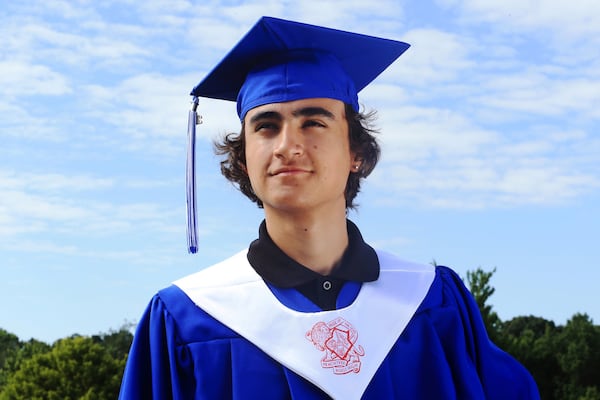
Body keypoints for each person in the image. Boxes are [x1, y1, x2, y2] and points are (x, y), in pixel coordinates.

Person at [119, 16, 540, 399]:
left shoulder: (433, 303)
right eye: (266, 126)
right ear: (244, 161)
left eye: (313, 122)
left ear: (355, 152)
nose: (287, 146)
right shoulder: (188, 319)